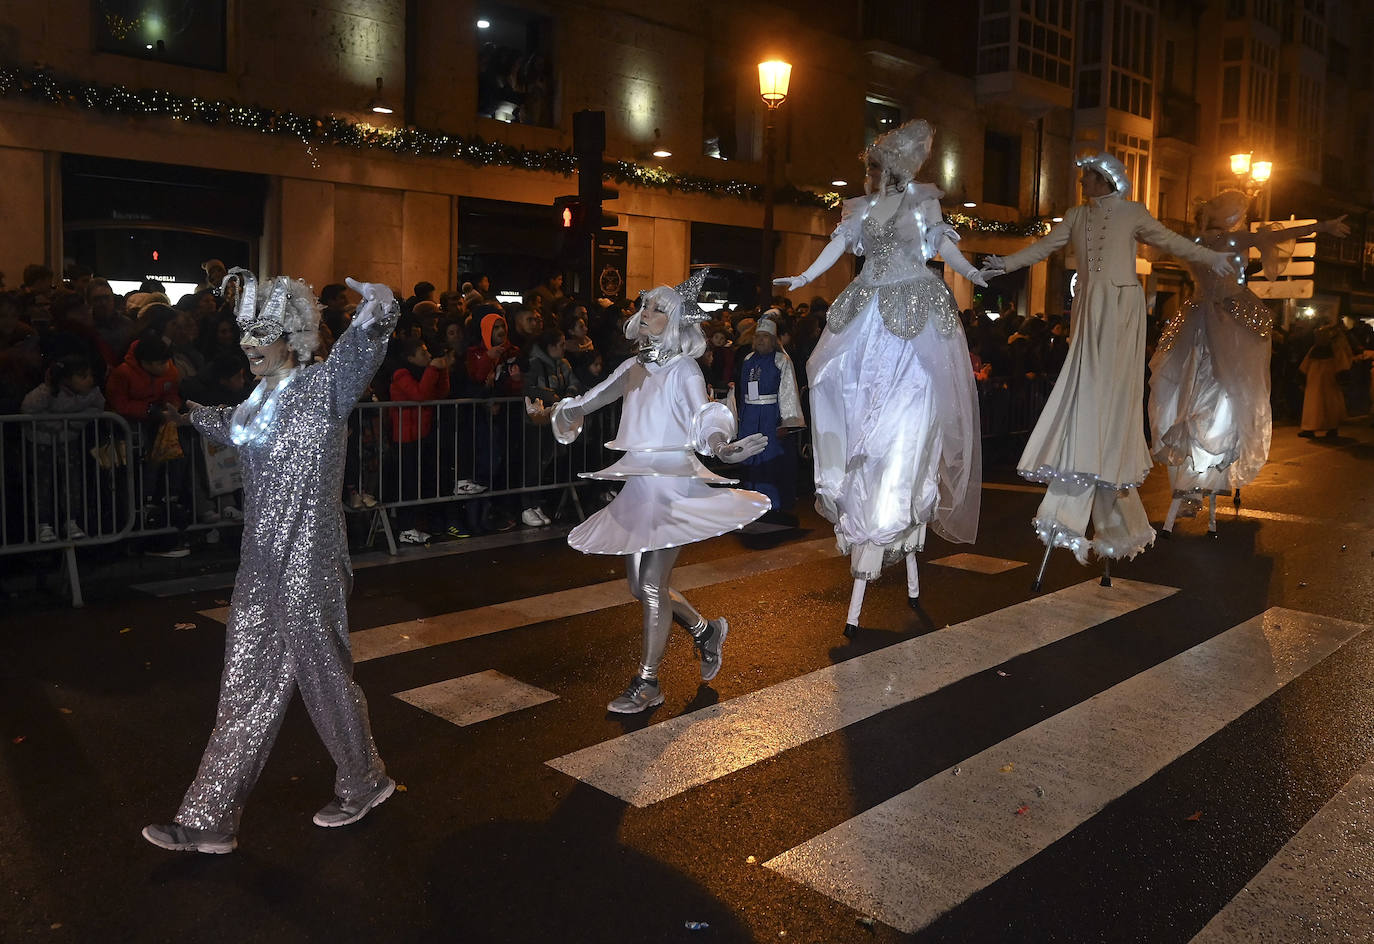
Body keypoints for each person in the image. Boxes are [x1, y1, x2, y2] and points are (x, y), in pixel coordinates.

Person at [142, 272, 398, 855]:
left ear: (294, 337)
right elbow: (229, 426)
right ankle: (209, 816)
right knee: (243, 686)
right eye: (244, 332)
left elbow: (363, 348)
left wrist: (377, 310)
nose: (248, 342)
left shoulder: (324, 385)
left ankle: (364, 780)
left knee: (323, 675)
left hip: (311, 559)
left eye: (262, 331)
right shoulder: (258, 402)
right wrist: (188, 414)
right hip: (258, 563)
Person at [981, 153, 1237, 586]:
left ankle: (1106, 422)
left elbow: (1170, 240)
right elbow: (1047, 245)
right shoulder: (1077, 215)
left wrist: (1207, 258)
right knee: (1086, 375)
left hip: (1120, 303)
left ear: (1106, 180)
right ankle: (1088, 426)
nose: (1082, 184)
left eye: (1088, 178)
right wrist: (1007, 264)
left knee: (1112, 379)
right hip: (1090, 302)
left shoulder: (1132, 212)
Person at [774, 118, 984, 634]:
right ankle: (854, 482)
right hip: (867, 307)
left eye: (870, 168)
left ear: (887, 168)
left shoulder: (921, 206)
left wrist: (974, 273)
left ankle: (892, 501)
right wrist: (802, 277)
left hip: (913, 310)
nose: (865, 176)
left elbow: (942, 247)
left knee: (907, 408)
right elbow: (840, 247)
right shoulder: (859, 210)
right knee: (832, 378)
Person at [542, 273, 768, 712]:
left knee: (649, 586)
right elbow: (587, 402)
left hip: (674, 488)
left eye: (657, 309)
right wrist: (549, 412)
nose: (646, 314)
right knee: (639, 587)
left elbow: (703, 413)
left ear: (677, 321)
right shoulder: (634, 368)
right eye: (645, 306)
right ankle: (706, 631)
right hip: (638, 488)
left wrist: (722, 445)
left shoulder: (683, 368)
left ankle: (648, 683)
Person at [1150, 190, 1350, 535]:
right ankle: (1210, 470)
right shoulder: (1230, 238)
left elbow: (1157, 238)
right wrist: (1324, 225)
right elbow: (1278, 235)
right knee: (1232, 392)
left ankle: (1192, 478)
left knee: (1192, 392)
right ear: (1229, 214)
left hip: (1197, 319)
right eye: (1239, 210)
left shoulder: (1195, 240)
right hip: (1229, 321)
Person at [21, 355, 104, 542]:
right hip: (41, 443)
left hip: (68, 442)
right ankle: (44, 524)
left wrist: (74, 422)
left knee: (72, 481)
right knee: (42, 482)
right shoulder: (47, 391)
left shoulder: (92, 393)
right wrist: (56, 423)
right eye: (83, 376)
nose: (89, 380)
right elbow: (28, 408)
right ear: (66, 378)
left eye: (90, 375)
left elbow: (98, 408)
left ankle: (71, 520)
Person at [731, 317, 804, 513]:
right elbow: (743, 390)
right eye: (758, 337)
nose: (761, 340)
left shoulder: (782, 361)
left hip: (770, 415)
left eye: (765, 337)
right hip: (750, 415)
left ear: (773, 339)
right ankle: (750, 496)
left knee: (768, 456)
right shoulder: (748, 360)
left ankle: (771, 500)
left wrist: (786, 421)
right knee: (749, 454)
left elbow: (788, 391)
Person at [1299, 315, 1353, 439]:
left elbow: (1342, 364)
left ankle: (1332, 428)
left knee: (1330, 405)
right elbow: (1305, 364)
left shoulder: (1335, 350)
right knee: (1313, 406)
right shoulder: (1314, 349)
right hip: (1314, 383)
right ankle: (1309, 428)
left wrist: (1342, 379)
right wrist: (1301, 378)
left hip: (1330, 382)